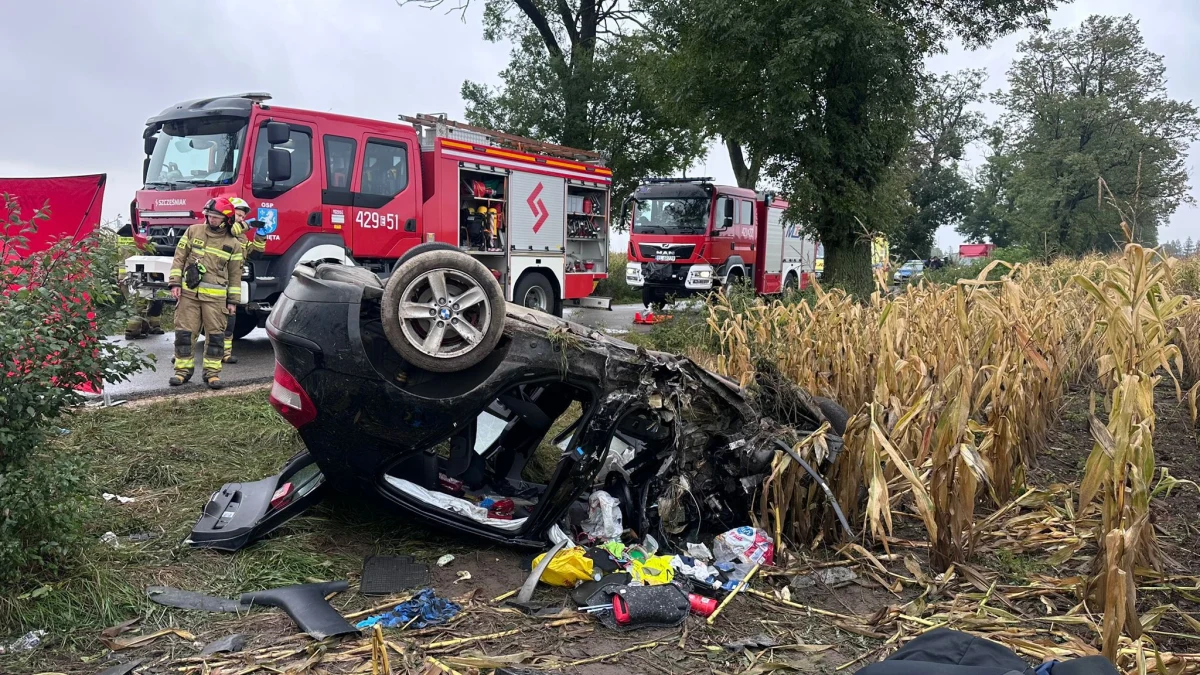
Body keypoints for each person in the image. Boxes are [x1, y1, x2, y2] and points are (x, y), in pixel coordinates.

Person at [168, 197, 243, 389]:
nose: (212, 220)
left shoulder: (233, 244)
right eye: (209, 216)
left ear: (227, 219)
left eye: (217, 217)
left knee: (216, 337)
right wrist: (175, 283)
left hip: (216, 299)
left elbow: (235, 275)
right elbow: (179, 258)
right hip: (189, 294)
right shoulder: (193, 231)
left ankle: (212, 374)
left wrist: (233, 301)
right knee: (184, 334)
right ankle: (182, 372)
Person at [221, 197, 258, 364]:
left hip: (233, 280)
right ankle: (182, 354)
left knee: (230, 317)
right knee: (199, 319)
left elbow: (253, 251)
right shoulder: (221, 231)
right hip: (216, 281)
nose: (241, 219)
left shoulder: (242, 237)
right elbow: (231, 230)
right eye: (238, 215)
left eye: (243, 216)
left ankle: (225, 353)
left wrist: (261, 237)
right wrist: (248, 225)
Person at [117, 223, 166, 340]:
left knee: (138, 302)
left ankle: (143, 327)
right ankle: (133, 330)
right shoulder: (137, 243)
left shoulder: (121, 243)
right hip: (136, 275)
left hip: (123, 277)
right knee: (139, 303)